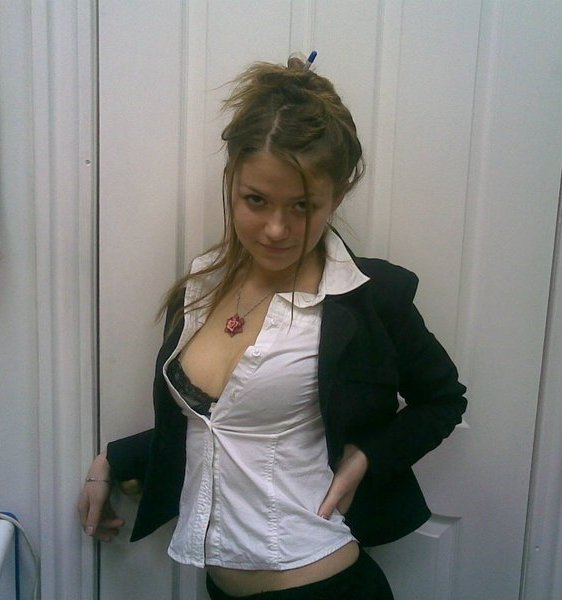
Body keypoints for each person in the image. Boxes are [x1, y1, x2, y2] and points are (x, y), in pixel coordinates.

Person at [78, 54, 467, 599]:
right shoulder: (201, 288)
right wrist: (111, 460)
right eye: (255, 200)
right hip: (218, 587)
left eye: (302, 206)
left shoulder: (368, 299)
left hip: (324, 584)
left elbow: (443, 400)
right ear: (231, 181)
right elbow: (221, 427)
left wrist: (367, 455)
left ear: (338, 196)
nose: (277, 229)